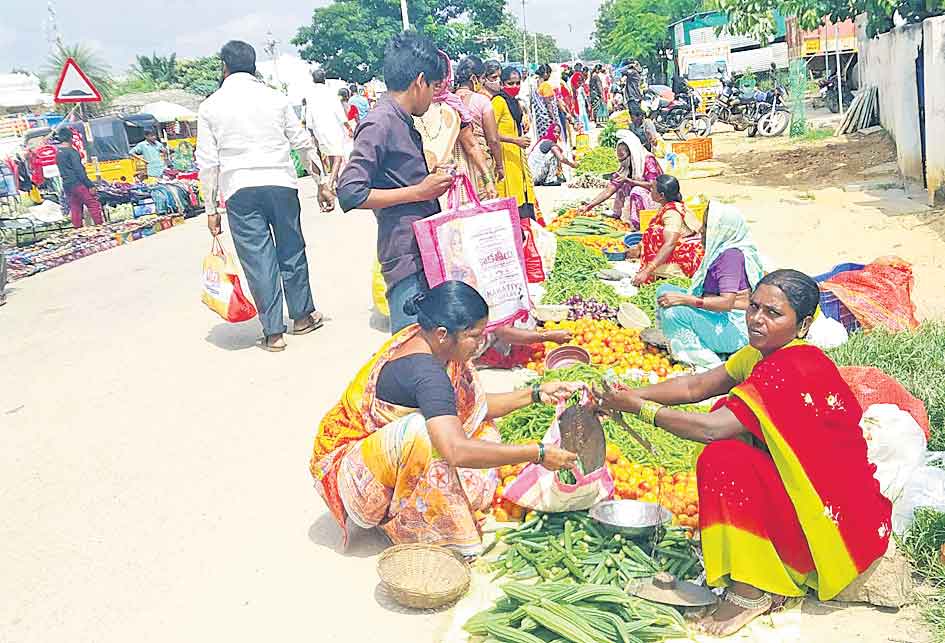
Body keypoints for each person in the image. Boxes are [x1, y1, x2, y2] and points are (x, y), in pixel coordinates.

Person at [599, 269, 892, 637]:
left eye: (773, 313)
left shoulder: (793, 366)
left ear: (802, 326)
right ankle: (759, 565)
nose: (756, 319)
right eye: (753, 307)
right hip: (803, 490)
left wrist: (640, 409)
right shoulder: (759, 354)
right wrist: (633, 394)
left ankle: (750, 593)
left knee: (722, 459)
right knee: (733, 431)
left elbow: (712, 429)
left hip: (832, 519)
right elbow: (697, 385)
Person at [310, 281, 579, 554]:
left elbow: (475, 407)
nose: (480, 343)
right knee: (428, 436)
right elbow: (455, 451)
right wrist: (538, 453)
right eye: (474, 336)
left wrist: (535, 393)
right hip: (354, 478)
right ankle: (414, 524)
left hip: (380, 455)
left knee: (480, 428)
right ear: (443, 334)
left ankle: (410, 497)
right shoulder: (427, 375)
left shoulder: (425, 341)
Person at [197, 40, 326, 352]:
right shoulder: (275, 99)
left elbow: (208, 162)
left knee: (258, 260)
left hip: (239, 190)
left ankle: (273, 332)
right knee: (291, 250)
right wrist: (322, 181)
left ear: (223, 67)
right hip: (281, 183)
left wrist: (211, 209)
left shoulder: (210, 106)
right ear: (253, 66)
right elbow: (302, 143)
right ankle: (302, 317)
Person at [336, 31, 453, 335]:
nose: (434, 97)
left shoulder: (400, 119)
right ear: (420, 81)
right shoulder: (380, 122)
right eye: (434, 87)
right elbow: (350, 192)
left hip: (420, 250)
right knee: (411, 350)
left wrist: (431, 179)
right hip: (404, 256)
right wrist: (419, 191)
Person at [656, 203, 765, 370]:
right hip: (721, 313)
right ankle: (693, 340)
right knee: (663, 291)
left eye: (706, 226)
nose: (701, 230)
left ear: (722, 229)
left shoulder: (730, 257)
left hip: (735, 329)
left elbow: (726, 303)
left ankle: (704, 359)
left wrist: (686, 299)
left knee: (673, 313)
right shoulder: (724, 249)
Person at [414, 51, 495, 204]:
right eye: (431, 76)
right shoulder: (410, 110)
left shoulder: (453, 108)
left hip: (454, 183)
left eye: (441, 76)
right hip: (420, 184)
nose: (437, 82)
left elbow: (471, 146)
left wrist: (488, 180)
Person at [483, 63, 538, 220]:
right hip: (505, 156)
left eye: (518, 82)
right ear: (502, 84)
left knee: (524, 194)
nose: (515, 86)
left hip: (517, 156)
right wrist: (515, 140)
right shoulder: (498, 102)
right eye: (510, 83)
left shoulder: (514, 102)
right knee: (511, 197)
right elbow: (490, 133)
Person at [628, 174, 703, 285]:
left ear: (661, 195)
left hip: (686, 259)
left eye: (653, 188)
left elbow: (670, 243)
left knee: (654, 232)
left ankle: (667, 272)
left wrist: (647, 270)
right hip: (682, 248)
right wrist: (639, 247)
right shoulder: (668, 205)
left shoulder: (672, 214)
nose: (650, 190)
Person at [579, 131, 660, 227]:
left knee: (636, 190)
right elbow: (609, 190)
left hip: (655, 198)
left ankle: (639, 224)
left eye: (623, 158)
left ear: (631, 154)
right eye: (619, 159)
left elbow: (653, 185)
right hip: (641, 194)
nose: (621, 162)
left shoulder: (647, 160)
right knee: (622, 184)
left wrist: (630, 181)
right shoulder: (625, 167)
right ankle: (618, 213)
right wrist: (589, 206)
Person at [454, 56, 506, 195]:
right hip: (481, 162)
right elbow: (493, 139)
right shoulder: (482, 101)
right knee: (485, 204)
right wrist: (500, 166)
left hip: (457, 165)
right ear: (473, 79)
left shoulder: (449, 100)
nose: (483, 82)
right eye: (482, 78)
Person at [306, 68, 352, 206]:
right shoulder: (330, 92)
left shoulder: (310, 95)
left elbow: (308, 116)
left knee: (331, 155)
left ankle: (337, 183)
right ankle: (331, 184)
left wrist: (312, 131)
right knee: (338, 156)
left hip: (319, 129)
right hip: (332, 127)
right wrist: (348, 127)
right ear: (324, 78)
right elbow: (339, 111)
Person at [54, 128, 103, 229]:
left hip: (67, 185)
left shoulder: (58, 153)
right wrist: (90, 184)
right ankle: (100, 227)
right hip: (78, 183)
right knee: (93, 204)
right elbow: (79, 170)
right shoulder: (72, 152)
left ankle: (78, 230)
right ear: (71, 138)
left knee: (75, 207)